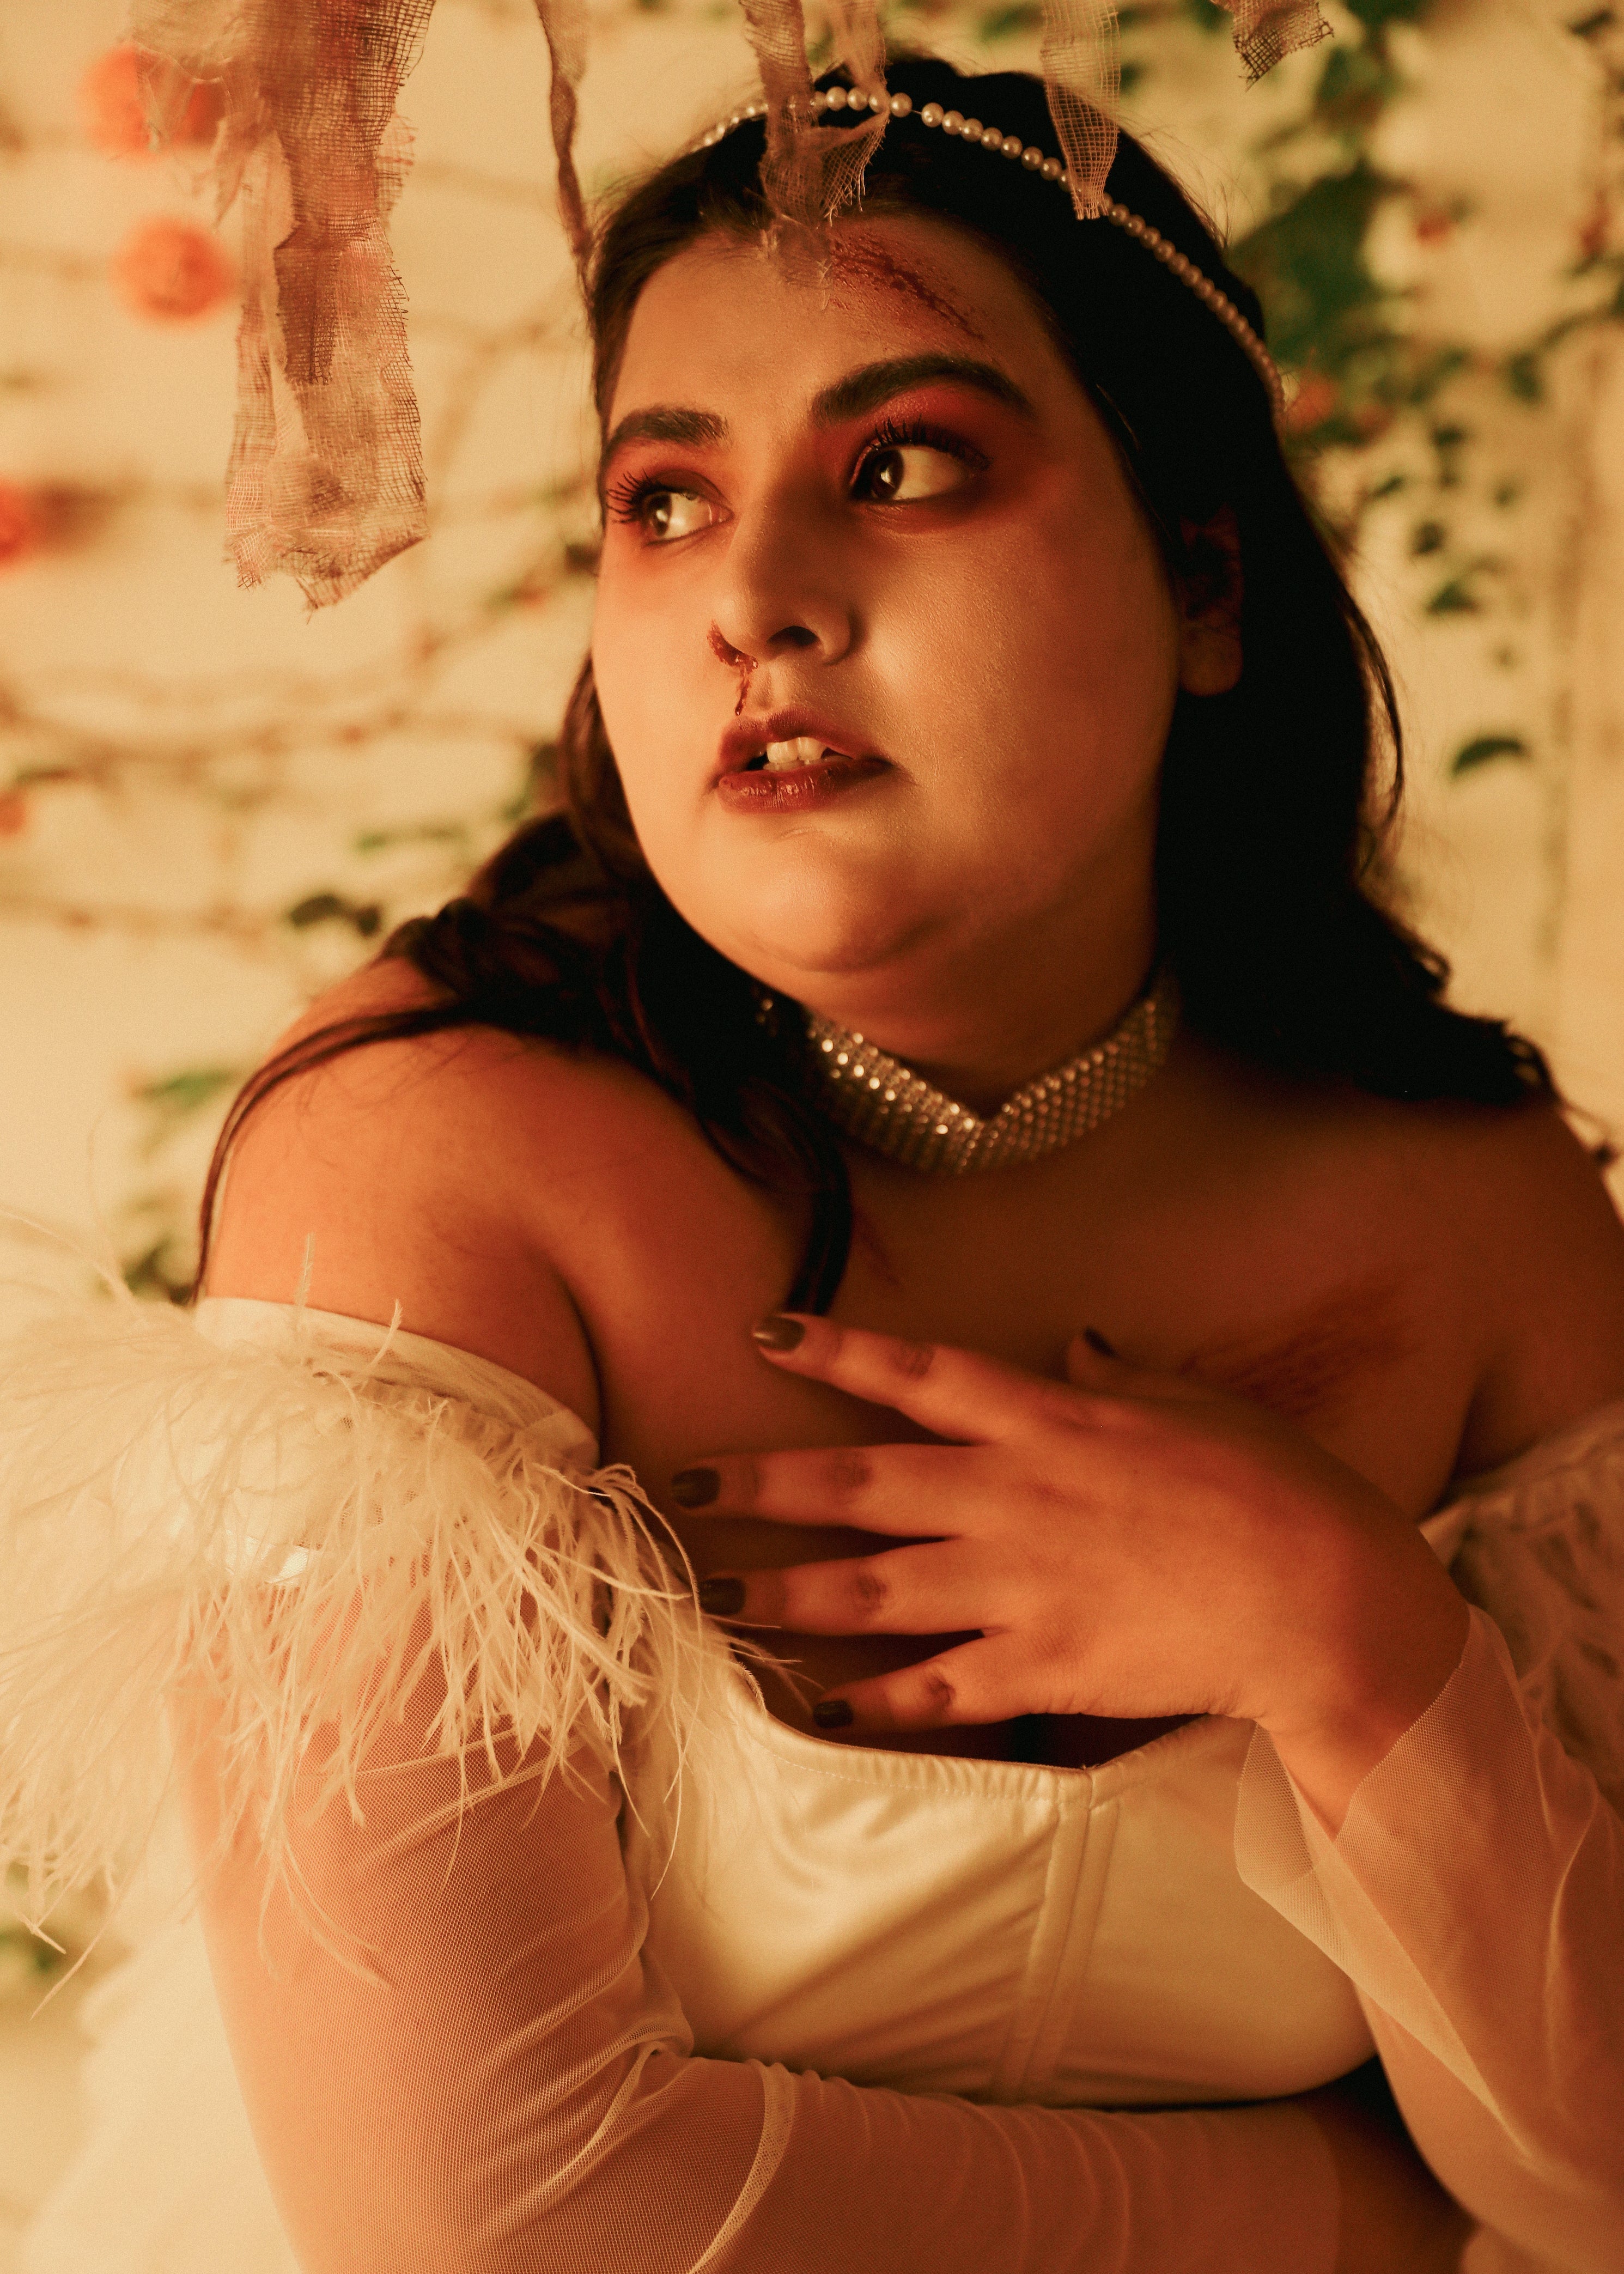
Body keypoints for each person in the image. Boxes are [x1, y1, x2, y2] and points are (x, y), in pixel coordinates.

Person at [4, 44, 1623, 2274]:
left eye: (900, 464)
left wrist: (1345, 1639)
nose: (750, 591)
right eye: (662, 499)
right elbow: (495, 2220)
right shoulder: (431, 1163)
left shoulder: (1480, 1213)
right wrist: (1370, 2217)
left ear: (1202, 582)